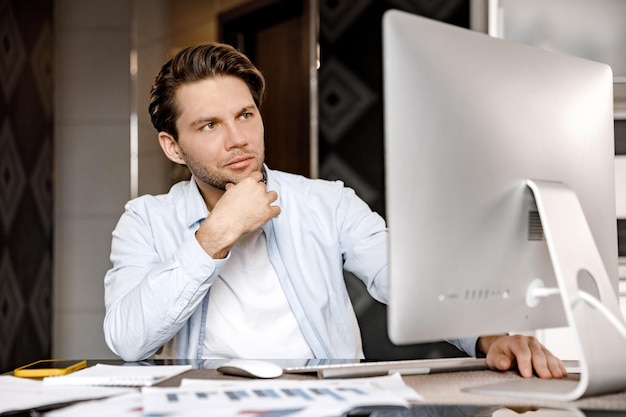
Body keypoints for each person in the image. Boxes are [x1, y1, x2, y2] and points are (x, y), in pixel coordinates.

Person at [103, 42, 567, 379]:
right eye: (209, 125)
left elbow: (405, 280)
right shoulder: (145, 220)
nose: (237, 139)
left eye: (245, 115)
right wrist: (215, 234)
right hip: (204, 409)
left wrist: (490, 337)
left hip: (327, 407)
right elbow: (128, 340)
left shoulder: (327, 202)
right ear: (173, 147)